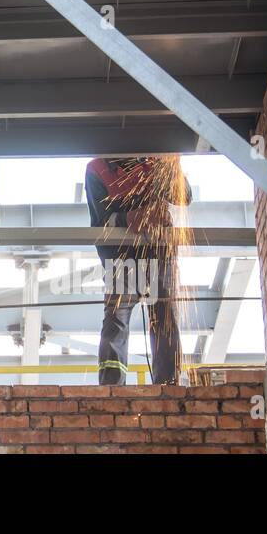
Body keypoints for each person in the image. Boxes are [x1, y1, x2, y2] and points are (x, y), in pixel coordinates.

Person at [84, 156, 191, 385]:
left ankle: (168, 384)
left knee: (165, 318)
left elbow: (184, 197)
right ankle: (111, 387)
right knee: (116, 320)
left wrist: (172, 164)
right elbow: (100, 223)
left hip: (160, 254)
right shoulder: (98, 168)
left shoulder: (157, 161)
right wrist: (129, 218)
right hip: (120, 259)